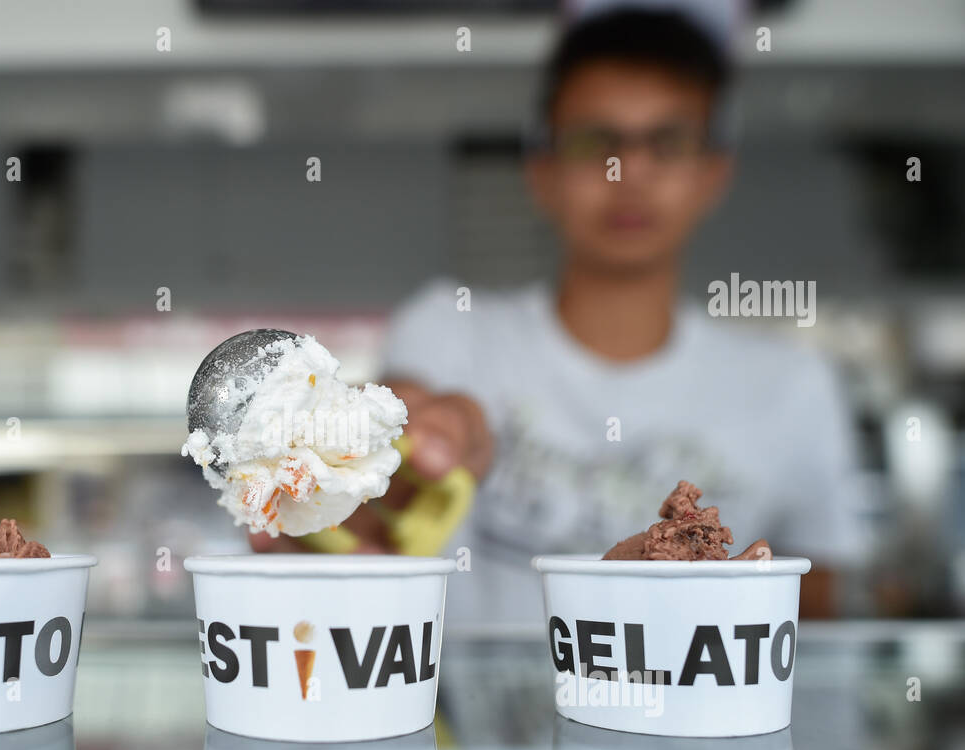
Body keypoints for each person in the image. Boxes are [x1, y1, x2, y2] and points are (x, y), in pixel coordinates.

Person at [254, 5, 864, 622]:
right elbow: (410, 422)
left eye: (668, 142)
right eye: (595, 141)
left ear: (714, 173)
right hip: (467, 720)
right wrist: (376, 456)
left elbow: (815, 629)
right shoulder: (450, 329)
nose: (631, 174)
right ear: (541, 169)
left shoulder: (794, 389)